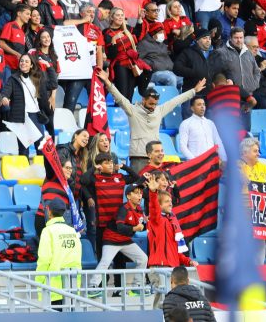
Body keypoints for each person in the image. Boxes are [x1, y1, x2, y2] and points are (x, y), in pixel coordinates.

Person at [97, 69, 205, 173]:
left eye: (155, 104)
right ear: (143, 100)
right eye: (151, 104)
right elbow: (119, 98)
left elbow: (176, 100)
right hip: (138, 157)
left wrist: (194, 91)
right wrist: (107, 81)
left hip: (155, 157)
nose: (153, 107)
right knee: (139, 188)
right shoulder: (133, 110)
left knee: (155, 188)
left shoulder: (159, 110)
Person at [145, 174, 197, 309]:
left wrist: (188, 261)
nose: (171, 203)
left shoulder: (172, 221)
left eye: (170, 200)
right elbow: (154, 209)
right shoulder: (156, 220)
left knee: (167, 302)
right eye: (167, 201)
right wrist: (152, 193)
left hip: (172, 268)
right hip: (159, 267)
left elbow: (175, 251)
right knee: (164, 300)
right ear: (159, 204)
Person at [88, 183, 148, 296]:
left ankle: (137, 286)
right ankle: (92, 287)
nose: (139, 195)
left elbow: (142, 224)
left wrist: (146, 222)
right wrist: (135, 228)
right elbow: (120, 227)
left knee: (143, 258)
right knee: (105, 262)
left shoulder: (139, 209)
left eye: (140, 193)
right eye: (136, 193)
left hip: (125, 240)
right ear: (128, 196)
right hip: (111, 240)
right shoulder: (123, 208)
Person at [35, 198, 82, 310]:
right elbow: (77, 256)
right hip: (73, 285)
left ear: (49, 211)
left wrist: (39, 280)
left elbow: (44, 259)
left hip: (54, 288)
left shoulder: (48, 231)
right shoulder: (72, 231)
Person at [1, 53, 48, 155]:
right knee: (23, 149)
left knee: (41, 148)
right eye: (22, 61)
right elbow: (5, 92)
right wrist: (4, 98)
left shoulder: (37, 78)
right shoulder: (13, 79)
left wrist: (50, 68)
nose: (23, 63)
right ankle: (25, 170)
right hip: (21, 117)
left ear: (31, 65)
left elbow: (52, 84)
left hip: (35, 115)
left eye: (27, 61)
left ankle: (43, 171)